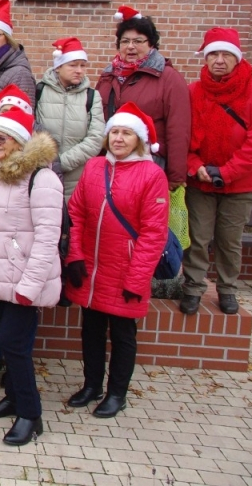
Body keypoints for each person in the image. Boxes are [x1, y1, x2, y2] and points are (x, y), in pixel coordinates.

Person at [63, 103, 169, 418]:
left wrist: (137, 279)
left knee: (123, 335)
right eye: (114, 132)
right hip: (92, 269)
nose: (119, 139)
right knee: (91, 330)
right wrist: (75, 256)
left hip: (125, 270)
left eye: (126, 133)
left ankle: (116, 393)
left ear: (139, 139)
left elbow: (154, 234)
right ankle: (91, 385)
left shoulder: (152, 175)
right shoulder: (95, 168)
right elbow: (76, 212)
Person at [0, 106, 62, 446]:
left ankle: (31, 413)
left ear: (20, 142)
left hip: (24, 279)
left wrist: (29, 285)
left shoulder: (42, 179)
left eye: (3, 137)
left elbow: (46, 238)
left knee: (14, 344)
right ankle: (13, 397)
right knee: (6, 342)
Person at [182, 28, 252, 315]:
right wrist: (195, 167)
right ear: (205, 59)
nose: (219, 60)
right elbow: (183, 135)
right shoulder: (193, 92)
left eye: (226, 54)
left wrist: (227, 172)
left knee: (229, 240)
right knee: (198, 236)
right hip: (202, 180)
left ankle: (228, 289)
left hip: (242, 183)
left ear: (237, 58)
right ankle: (193, 287)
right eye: (213, 54)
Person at [96, 5, 190, 190]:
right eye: (125, 41)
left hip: (150, 162)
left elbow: (179, 129)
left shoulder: (168, 78)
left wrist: (176, 176)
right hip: (111, 160)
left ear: (151, 44)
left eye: (138, 41)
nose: (130, 46)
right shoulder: (108, 76)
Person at [34, 37, 105, 199]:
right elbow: (31, 129)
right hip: (43, 173)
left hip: (78, 178)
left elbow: (96, 138)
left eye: (82, 65)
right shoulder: (40, 91)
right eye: (73, 65)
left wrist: (62, 162)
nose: (79, 70)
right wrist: (47, 162)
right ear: (58, 67)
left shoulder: (92, 96)